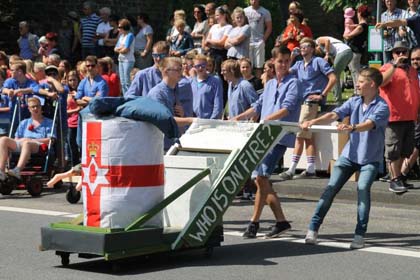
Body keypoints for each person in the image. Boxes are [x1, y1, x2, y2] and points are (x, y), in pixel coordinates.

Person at [303, 67, 390, 249]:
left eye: (360, 82)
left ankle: (359, 235)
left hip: (370, 158)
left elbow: (368, 125)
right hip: (350, 155)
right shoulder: (354, 101)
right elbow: (335, 114)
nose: (356, 85)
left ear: (371, 84)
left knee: (363, 188)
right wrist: (313, 121)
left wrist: (352, 128)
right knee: (330, 189)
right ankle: (313, 229)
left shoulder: (382, 107)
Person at [233, 46, 301, 238]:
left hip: (278, 136)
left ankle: (254, 222)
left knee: (261, 178)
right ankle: (280, 221)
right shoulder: (270, 84)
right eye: (280, 61)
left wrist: (266, 121)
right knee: (261, 179)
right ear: (273, 62)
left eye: (287, 61)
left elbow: (287, 109)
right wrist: (238, 117)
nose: (284, 65)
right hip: (264, 136)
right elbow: (257, 106)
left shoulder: (294, 83)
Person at [279, 38, 336, 180]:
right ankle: (310, 168)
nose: (302, 48)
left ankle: (291, 169)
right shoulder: (298, 64)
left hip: (310, 101)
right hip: (301, 102)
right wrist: (291, 58)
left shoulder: (318, 61)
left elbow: (333, 78)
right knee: (307, 135)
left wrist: (322, 94)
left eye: (305, 46)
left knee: (300, 133)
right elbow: (284, 73)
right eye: (301, 46)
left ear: (312, 49)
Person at [379, 41, 420, 193]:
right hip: (393, 117)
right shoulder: (387, 68)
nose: (401, 54)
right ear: (393, 54)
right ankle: (394, 179)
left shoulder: (412, 70)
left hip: (410, 116)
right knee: (393, 149)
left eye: (404, 51)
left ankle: (399, 178)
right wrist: (395, 66)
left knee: (406, 150)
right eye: (398, 52)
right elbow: (381, 82)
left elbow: (415, 92)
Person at [0, 97, 56, 181]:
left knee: (27, 143)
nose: (35, 108)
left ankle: (17, 170)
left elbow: (51, 140)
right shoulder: (24, 123)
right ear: (29, 109)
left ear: (41, 108)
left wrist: (31, 140)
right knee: (3, 139)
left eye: (37, 106)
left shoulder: (49, 122)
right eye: (33, 107)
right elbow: (16, 138)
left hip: (39, 145)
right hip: (22, 143)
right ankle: (1, 171)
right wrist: (22, 140)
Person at [147, 56, 194, 150]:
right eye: (178, 69)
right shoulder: (157, 93)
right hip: (162, 147)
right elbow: (165, 120)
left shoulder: (175, 90)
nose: (181, 72)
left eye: (181, 69)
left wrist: (183, 115)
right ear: (165, 71)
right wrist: (191, 120)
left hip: (175, 144)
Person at [316, 36, 353, 104]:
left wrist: (326, 54)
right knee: (334, 75)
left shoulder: (318, 40)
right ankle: (337, 98)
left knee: (334, 76)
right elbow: (334, 60)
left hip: (343, 52)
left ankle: (338, 102)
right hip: (348, 52)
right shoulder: (330, 50)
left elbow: (327, 40)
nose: (320, 52)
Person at [343, 5, 370, 95]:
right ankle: (357, 90)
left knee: (355, 72)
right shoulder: (365, 25)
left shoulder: (361, 27)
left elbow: (348, 36)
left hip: (355, 52)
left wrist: (345, 34)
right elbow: (358, 26)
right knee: (355, 71)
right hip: (359, 51)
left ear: (360, 13)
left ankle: (358, 91)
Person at [244, 0, 272, 78]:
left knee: (258, 66)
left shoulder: (265, 12)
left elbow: (269, 27)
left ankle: (258, 85)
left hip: (259, 42)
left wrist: (263, 40)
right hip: (247, 42)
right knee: (247, 65)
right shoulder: (245, 11)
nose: (253, 1)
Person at [190, 54, 223, 119]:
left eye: (203, 65)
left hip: (209, 121)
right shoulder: (191, 82)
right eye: (197, 66)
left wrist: (212, 120)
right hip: (194, 121)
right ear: (194, 67)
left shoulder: (215, 81)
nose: (200, 68)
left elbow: (218, 104)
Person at [204, 6, 232, 75]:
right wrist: (214, 43)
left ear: (224, 15)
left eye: (217, 15)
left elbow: (222, 43)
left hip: (221, 54)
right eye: (215, 15)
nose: (216, 17)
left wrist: (211, 41)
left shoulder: (228, 27)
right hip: (212, 53)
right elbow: (206, 42)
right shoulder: (214, 26)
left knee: (219, 73)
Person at [114, 18, 135, 95]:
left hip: (128, 60)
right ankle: (125, 97)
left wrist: (121, 48)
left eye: (119, 27)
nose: (118, 29)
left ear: (124, 27)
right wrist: (121, 48)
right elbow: (115, 48)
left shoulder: (130, 35)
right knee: (122, 82)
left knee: (127, 81)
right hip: (121, 60)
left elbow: (126, 50)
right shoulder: (121, 37)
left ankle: (130, 96)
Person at [66, 71, 81, 166]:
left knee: (80, 144)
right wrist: (76, 109)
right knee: (72, 145)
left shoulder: (81, 91)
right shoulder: (67, 94)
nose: (72, 82)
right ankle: (74, 165)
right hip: (70, 123)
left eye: (74, 80)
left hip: (80, 121)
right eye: (70, 80)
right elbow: (65, 111)